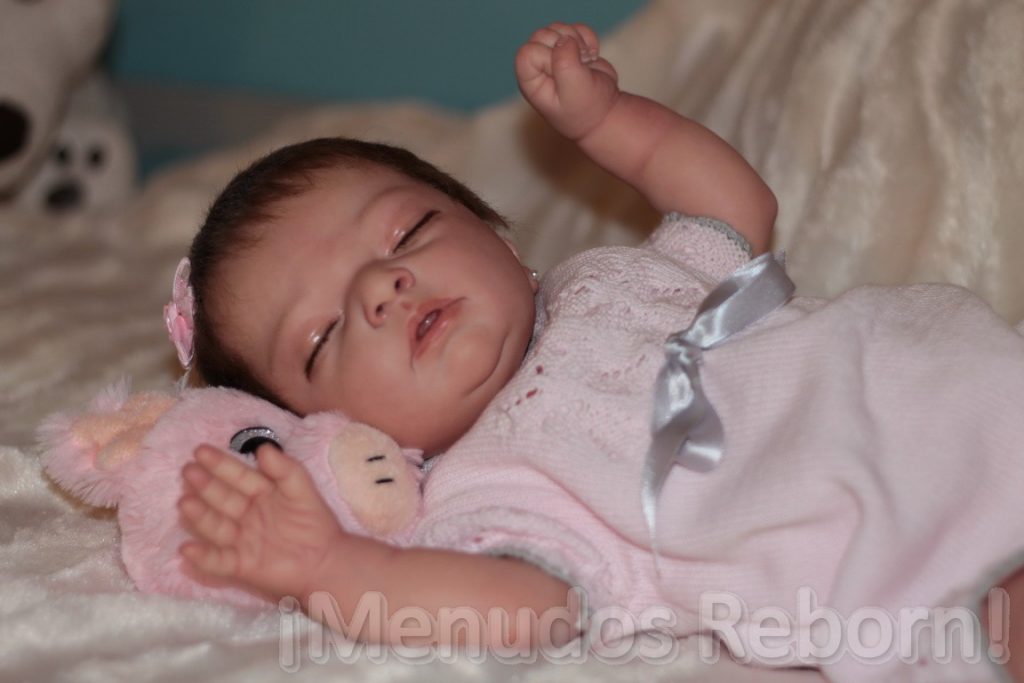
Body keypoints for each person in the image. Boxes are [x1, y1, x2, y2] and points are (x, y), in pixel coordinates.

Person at [171, 22, 1024, 681]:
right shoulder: (485, 488)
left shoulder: (608, 276)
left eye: (406, 232)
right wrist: (333, 567)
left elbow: (734, 208)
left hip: (940, 379)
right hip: (876, 546)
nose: (379, 287)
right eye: (322, 337)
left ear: (498, 235)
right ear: (341, 433)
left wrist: (610, 123)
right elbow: (523, 610)